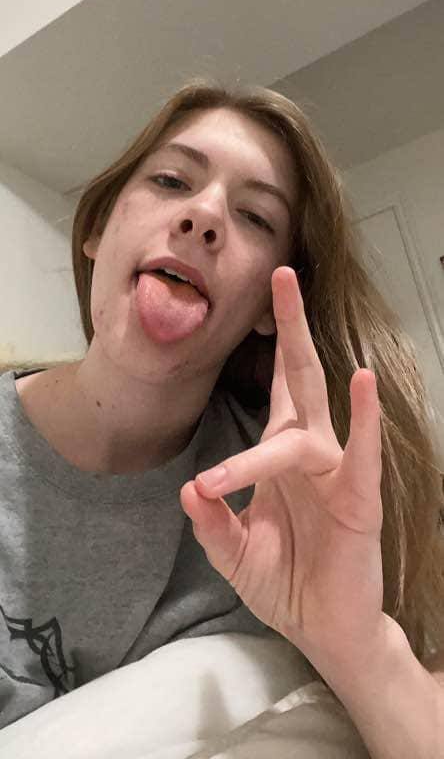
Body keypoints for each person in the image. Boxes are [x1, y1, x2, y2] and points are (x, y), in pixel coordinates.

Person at [0, 77, 443, 755]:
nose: (203, 215)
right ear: (97, 228)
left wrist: (359, 646)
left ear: (269, 305)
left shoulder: (289, 507)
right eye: (171, 180)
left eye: (256, 217)